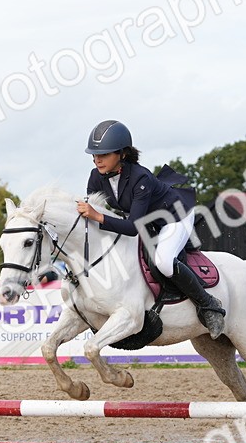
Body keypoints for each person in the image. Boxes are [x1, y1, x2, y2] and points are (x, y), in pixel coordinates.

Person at [74, 119, 226, 338]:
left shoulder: (140, 178)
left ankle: (208, 305)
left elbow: (131, 227)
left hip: (174, 217)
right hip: (145, 219)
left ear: (122, 154)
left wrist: (96, 215)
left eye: (104, 155)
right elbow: (97, 215)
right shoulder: (95, 177)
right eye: (95, 155)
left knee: (163, 261)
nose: (97, 160)